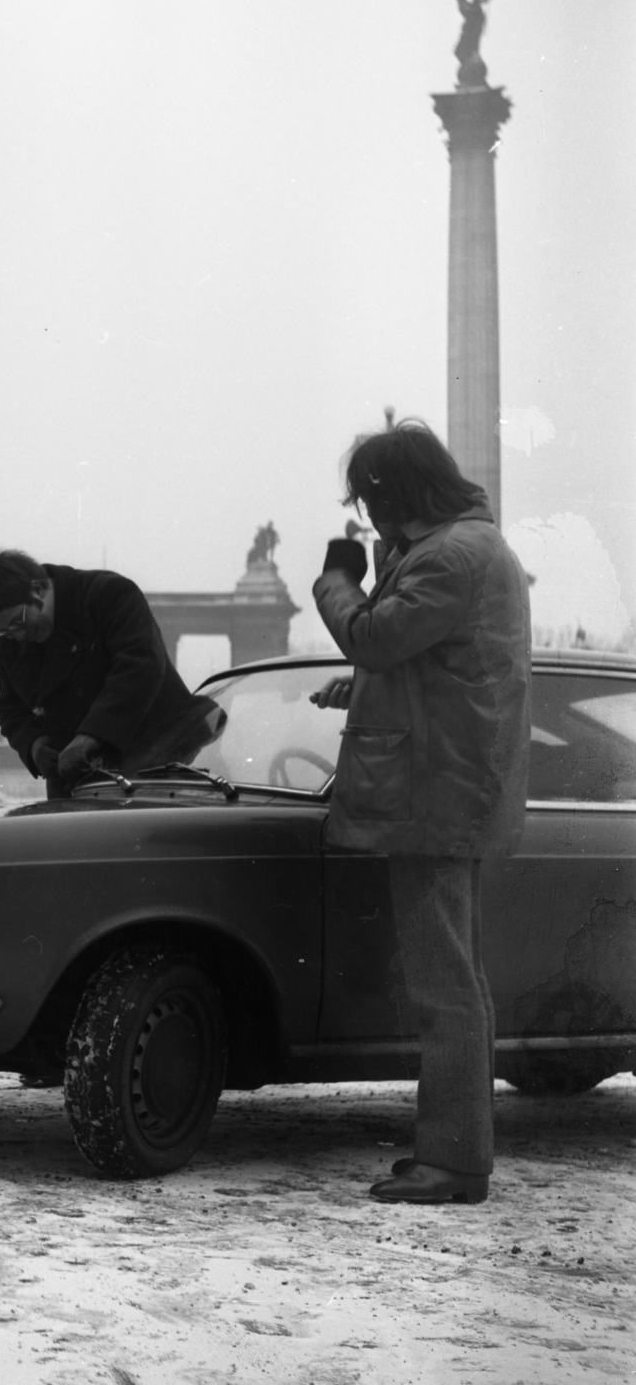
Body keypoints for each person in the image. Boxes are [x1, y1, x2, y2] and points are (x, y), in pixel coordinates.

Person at [312, 421, 530, 1205]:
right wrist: (365, 685)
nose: (368, 520)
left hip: (434, 796)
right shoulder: (468, 547)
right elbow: (434, 667)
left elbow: (373, 637)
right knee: (457, 978)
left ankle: (455, 1162)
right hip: (455, 787)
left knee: (445, 985)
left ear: (394, 493)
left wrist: (337, 577)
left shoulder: (446, 555)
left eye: (370, 503)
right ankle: (454, 1150)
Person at [0, 550, 221, 798]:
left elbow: (141, 667)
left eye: (18, 622)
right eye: (4, 632)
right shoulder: (4, 639)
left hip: (165, 761)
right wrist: (36, 747)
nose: (17, 635)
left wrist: (90, 737)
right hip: (77, 781)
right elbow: (9, 707)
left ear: (38, 589)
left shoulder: (108, 594)